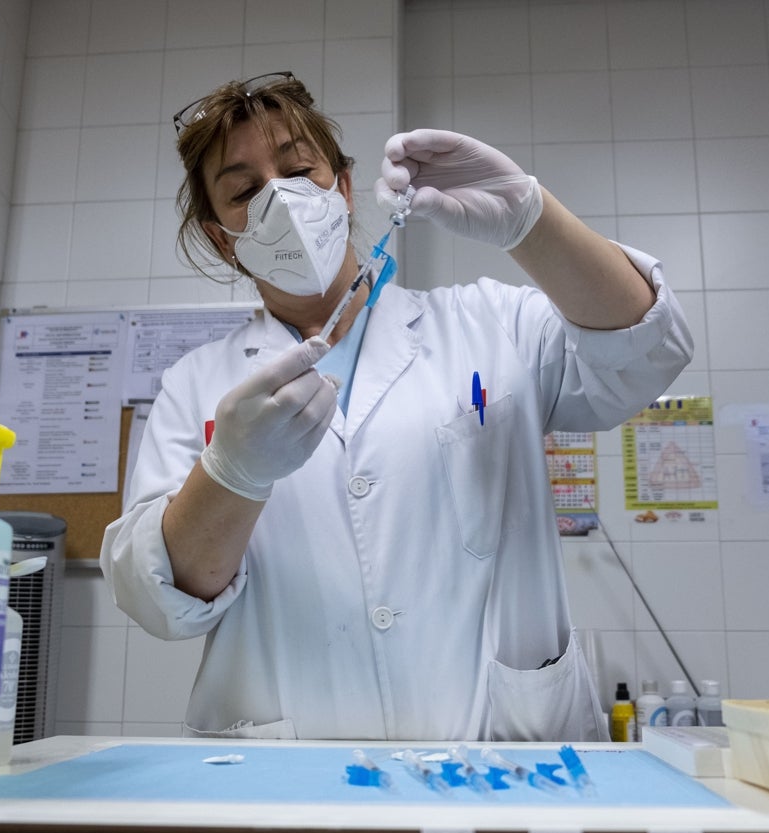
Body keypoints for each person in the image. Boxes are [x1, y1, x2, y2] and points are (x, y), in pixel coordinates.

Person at [100, 72, 693, 741]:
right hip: (292, 782)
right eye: (243, 191)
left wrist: (532, 221)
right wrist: (232, 473)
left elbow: (647, 349)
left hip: (506, 763)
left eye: (298, 169)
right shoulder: (195, 386)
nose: (282, 201)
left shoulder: (488, 324)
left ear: (343, 188)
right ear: (220, 239)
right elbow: (159, 600)